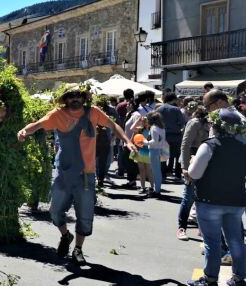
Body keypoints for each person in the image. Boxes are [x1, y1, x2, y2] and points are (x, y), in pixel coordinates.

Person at [17, 83, 137, 265]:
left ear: (83, 97)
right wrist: (24, 130)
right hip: (64, 172)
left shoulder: (93, 112)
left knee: (85, 215)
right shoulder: (58, 114)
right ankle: (66, 235)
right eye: (70, 96)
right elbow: (38, 124)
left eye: (77, 95)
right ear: (65, 99)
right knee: (55, 211)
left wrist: (127, 140)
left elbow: (113, 124)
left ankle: (78, 249)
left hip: (86, 174)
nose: (74, 98)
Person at [187, 109, 246, 286]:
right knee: (236, 240)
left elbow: (194, 173)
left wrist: (191, 162)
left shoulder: (210, 145)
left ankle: (210, 280)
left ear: (216, 126)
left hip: (209, 199)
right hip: (236, 200)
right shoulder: (243, 146)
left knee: (211, 241)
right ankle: (239, 279)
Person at [176, 107, 209, 240]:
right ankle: (181, 227)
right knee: (189, 196)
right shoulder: (195, 122)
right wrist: (185, 167)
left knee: (204, 197)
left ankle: (202, 228)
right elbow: (185, 144)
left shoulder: (214, 123)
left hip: (207, 161)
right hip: (192, 160)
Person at [157, 93, 185, 180]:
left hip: (163, 135)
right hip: (176, 135)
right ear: (173, 99)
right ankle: (177, 174)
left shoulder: (159, 109)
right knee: (177, 155)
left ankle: (163, 174)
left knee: (163, 156)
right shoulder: (176, 109)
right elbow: (182, 123)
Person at [144, 112, 166, 198]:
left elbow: (154, 141)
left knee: (155, 171)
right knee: (157, 171)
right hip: (160, 150)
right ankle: (157, 189)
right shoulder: (162, 127)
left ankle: (157, 191)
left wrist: (145, 142)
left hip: (153, 150)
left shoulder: (153, 128)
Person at [130, 116, 153, 195]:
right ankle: (142, 187)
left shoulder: (152, 130)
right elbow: (132, 128)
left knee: (149, 171)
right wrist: (137, 120)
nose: (144, 123)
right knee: (141, 170)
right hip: (140, 152)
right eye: (143, 122)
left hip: (149, 152)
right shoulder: (140, 130)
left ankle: (152, 187)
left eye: (146, 121)